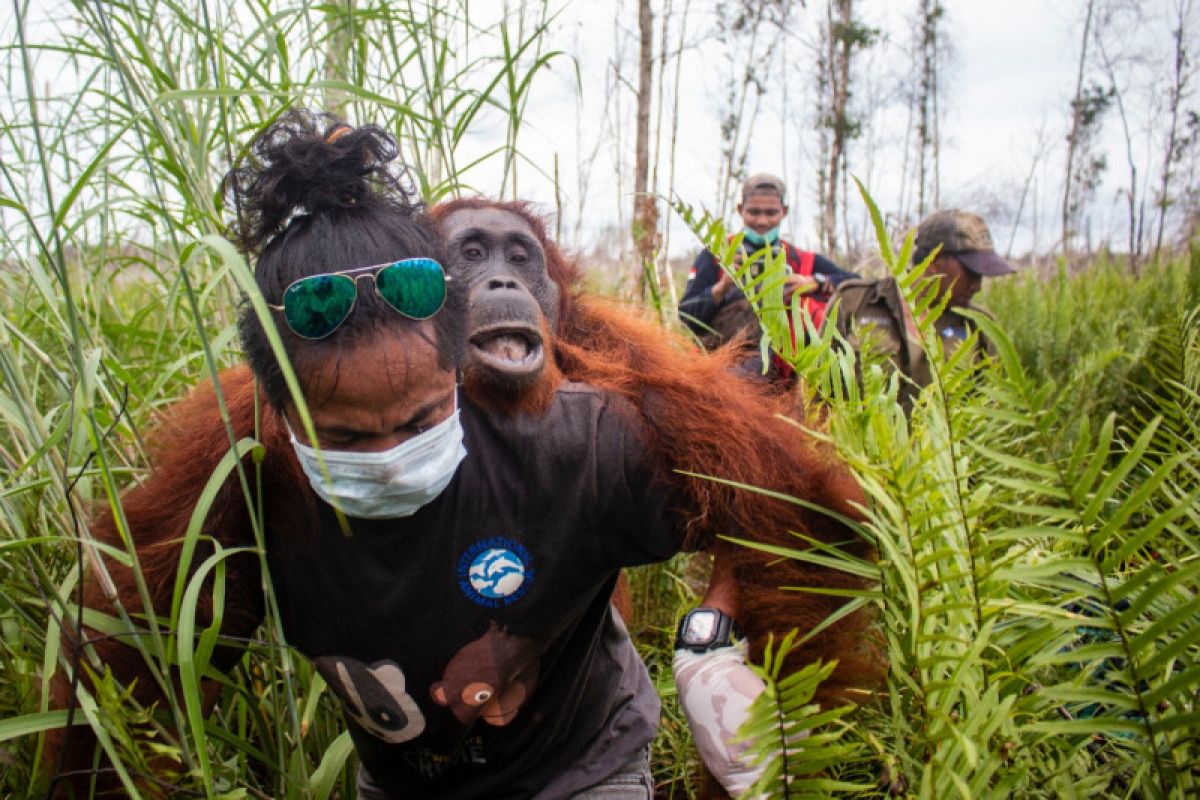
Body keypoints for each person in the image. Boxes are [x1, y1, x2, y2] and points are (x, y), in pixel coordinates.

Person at [45, 112, 873, 800]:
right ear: (282, 407)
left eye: (419, 418)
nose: (389, 451)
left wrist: (714, 643)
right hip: (404, 776)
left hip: (583, 760)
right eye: (345, 435)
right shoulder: (246, 453)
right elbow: (124, 670)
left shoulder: (591, 424)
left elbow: (792, 510)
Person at [825, 208, 1017, 410]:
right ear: (933, 262)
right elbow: (816, 394)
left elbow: (993, 415)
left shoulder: (980, 327)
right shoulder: (855, 303)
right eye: (971, 272)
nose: (977, 285)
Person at [677, 173, 857, 382]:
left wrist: (815, 281)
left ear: (784, 212)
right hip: (722, 371)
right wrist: (721, 288)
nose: (762, 221)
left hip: (788, 373)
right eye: (754, 212)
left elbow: (855, 283)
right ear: (740, 210)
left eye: (771, 213)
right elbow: (687, 316)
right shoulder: (717, 255)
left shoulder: (801, 260)